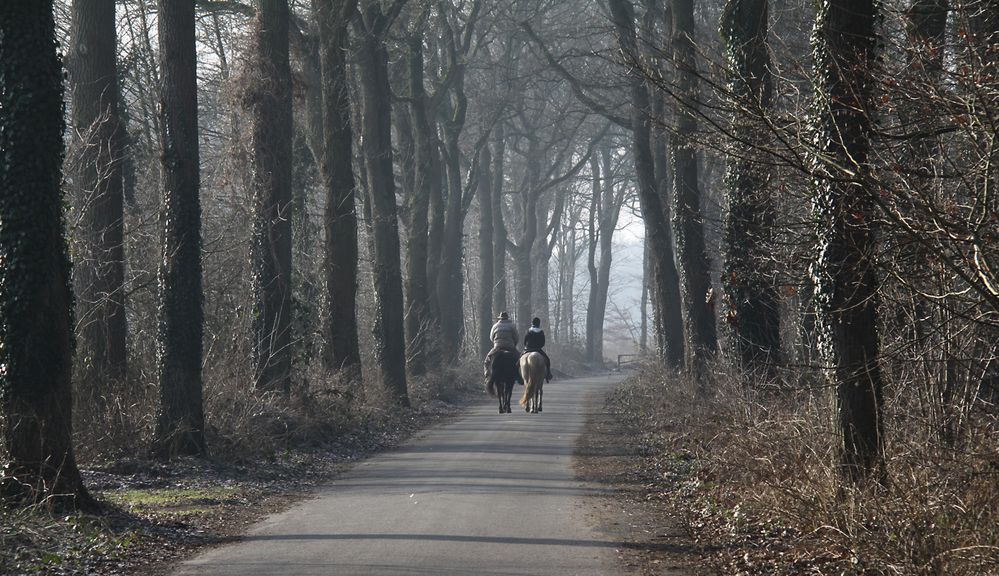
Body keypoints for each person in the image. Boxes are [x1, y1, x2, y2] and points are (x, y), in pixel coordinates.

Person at [484, 312, 520, 381]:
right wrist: (514, 344)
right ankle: (519, 377)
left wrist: (496, 343)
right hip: (510, 346)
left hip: (498, 346)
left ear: (500, 318)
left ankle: (487, 374)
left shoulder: (495, 326)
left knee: (487, 360)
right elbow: (516, 337)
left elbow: (491, 337)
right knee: (520, 358)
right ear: (507, 318)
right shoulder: (512, 326)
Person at [523, 317, 553, 382]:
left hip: (528, 349)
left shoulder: (528, 331)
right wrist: (539, 346)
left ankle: (519, 376)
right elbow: (543, 342)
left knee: (518, 361)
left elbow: (525, 341)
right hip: (538, 349)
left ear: (532, 323)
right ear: (539, 323)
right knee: (547, 360)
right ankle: (548, 375)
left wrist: (526, 346)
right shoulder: (541, 331)